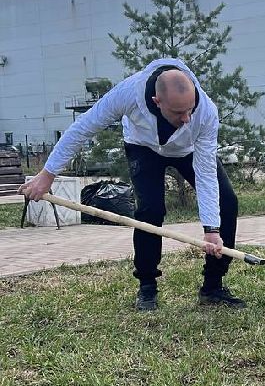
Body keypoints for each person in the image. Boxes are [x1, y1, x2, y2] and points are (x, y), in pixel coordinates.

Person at [20, 58, 245, 312]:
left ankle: (213, 286)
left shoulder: (205, 112)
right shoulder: (128, 93)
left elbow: (205, 174)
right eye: (178, 113)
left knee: (227, 203)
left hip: (188, 150)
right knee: (150, 211)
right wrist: (48, 174)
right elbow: (83, 128)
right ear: (156, 102)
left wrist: (212, 229)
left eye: (189, 110)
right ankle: (147, 287)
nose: (187, 118)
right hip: (143, 147)